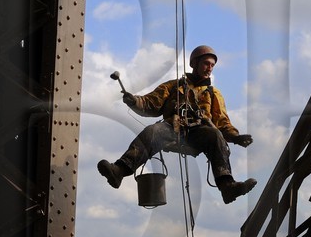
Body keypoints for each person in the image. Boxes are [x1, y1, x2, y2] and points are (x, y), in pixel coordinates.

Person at [99, 45, 258, 204]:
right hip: (172, 129)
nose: (209, 68)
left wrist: (235, 137)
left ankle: (227, 187)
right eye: (206, 63)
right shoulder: (174, 86)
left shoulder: (213, 93)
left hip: (199, 132)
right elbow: (151, 103)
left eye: (212, 65)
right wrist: (135, 101)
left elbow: (222, 121)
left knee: (215, 134)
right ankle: (119, 170)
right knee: (153, 131)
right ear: (194, 64)